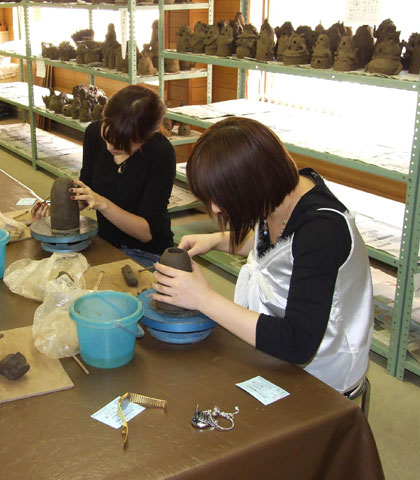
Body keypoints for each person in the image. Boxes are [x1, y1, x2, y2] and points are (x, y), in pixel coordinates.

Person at [151, 117, 373, 394]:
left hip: (321, 375)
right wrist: (219, 240)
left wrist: (203, 299)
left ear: (255, 182)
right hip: (271, 348)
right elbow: (279, 245)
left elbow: (298, 344)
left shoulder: (323, 231)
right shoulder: (280, 192)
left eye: (221, 197)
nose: (216, 209)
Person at [32, 85, 176, 266]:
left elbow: (146, 233)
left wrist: (102, 203)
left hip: (147, 253)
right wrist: (56, 212)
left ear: (143, 139)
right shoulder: (93, 133)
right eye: (107, 138)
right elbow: (86, 194)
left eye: (121, 145)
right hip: (105, 242)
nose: (109, 148)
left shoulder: (160, 153)